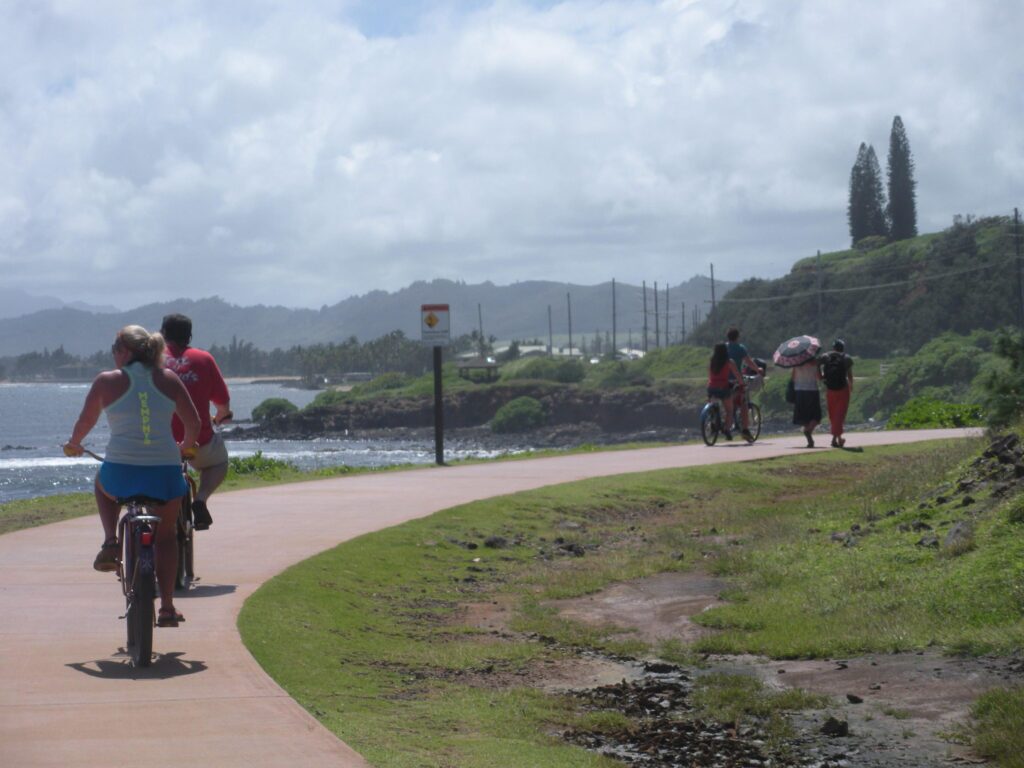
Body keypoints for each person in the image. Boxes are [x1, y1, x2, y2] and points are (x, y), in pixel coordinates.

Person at [64, 325, 200, 628]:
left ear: (124, 351)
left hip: (121, 473)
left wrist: (74, 444)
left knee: (101, 484)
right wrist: (185, 447)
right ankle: (167, 607)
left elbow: (85, 421)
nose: (113, 355)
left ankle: (110, 540)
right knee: (166, 537)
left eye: (115, 349)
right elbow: (194, 423)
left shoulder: (107, 381)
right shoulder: (169, 379)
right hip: (165, 473)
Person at [160, 313, 232, 531]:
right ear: (189, 336)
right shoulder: (204, 359)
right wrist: (220, 417)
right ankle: (200, 498)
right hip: (198, 440)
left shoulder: (152, 359)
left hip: (159, 442)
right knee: (218, 462)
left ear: (163, 334)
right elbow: (223, 405)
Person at [725, 327, 763, 443]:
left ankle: (728, 423)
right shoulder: (740, 348)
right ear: (737, 337)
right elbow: (749, 362)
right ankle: (745, 430)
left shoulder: (724, 348)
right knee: (743, 404)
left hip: (723, 380)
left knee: (728, 403)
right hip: (736, 380)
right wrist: (758, 370)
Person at [819, 339, 855, 447]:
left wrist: (820, 376)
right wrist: (851, 385)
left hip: (830, 390)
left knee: (833, 414)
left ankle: (837, 439)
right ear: (843, 348)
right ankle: (836, 439)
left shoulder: (825, 356)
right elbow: (849, 375)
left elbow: (816, 364)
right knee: (840, 414)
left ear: (833, 347)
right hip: (843, 389)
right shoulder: (847, 358)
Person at [707, 342, 743, 440]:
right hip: (723, 387)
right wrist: (741, 383)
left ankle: (713, 421)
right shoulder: (729, 361)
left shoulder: (712, 361)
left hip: (711, 387)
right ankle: (727, 429)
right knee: (730, 410)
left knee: (713, 405)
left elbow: (710, 375)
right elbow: (737, 374)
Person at [791, 357, 822, 447]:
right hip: (812, 390)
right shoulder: (815, 363)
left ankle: (809, 437)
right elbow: (819, 377)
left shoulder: (796, 363)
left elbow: (793, 378)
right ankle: (808, 430)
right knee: (816, 415)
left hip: (799, 391)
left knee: (804, 416)